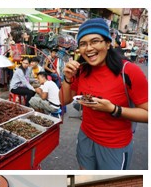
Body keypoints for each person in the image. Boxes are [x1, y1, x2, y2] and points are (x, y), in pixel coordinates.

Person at [59, 18, 148, 169]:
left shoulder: (129, 71)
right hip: (85, 136)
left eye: (95, 41)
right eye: (83, 44)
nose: (88, 48)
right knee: (85, 176)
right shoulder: (81, 69)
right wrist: (67, 78)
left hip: (115, 144)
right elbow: (64, 100)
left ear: (108, 43)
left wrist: (113, 109)